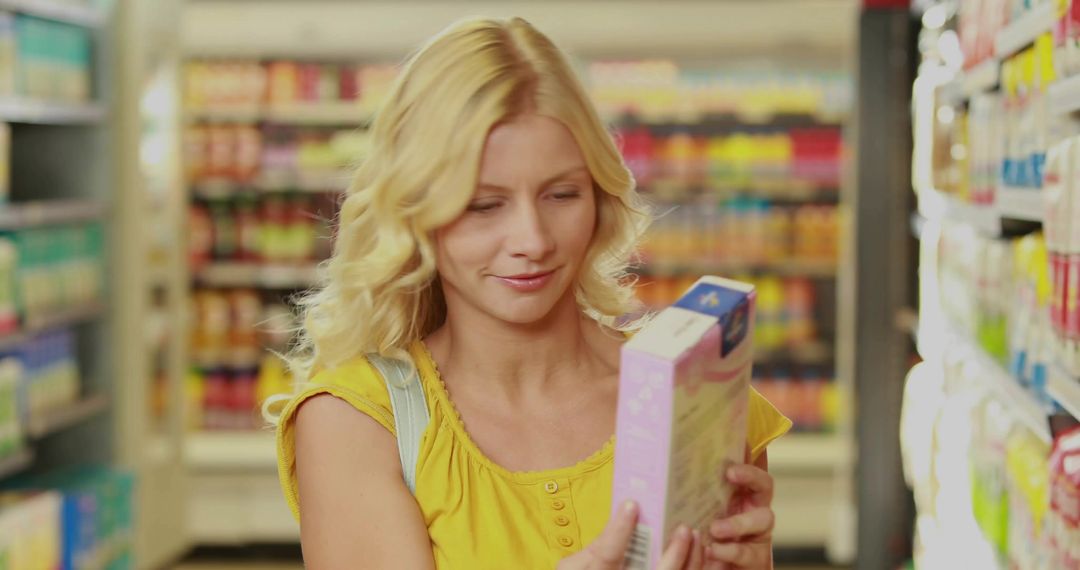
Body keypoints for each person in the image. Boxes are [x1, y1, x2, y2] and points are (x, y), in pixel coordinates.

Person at [268, 16, 792, 570]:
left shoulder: (692, 394)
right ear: (414, 213)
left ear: (599, 196)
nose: (533, 240)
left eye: (561, 194)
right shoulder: (355, 422)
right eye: (483, 204)